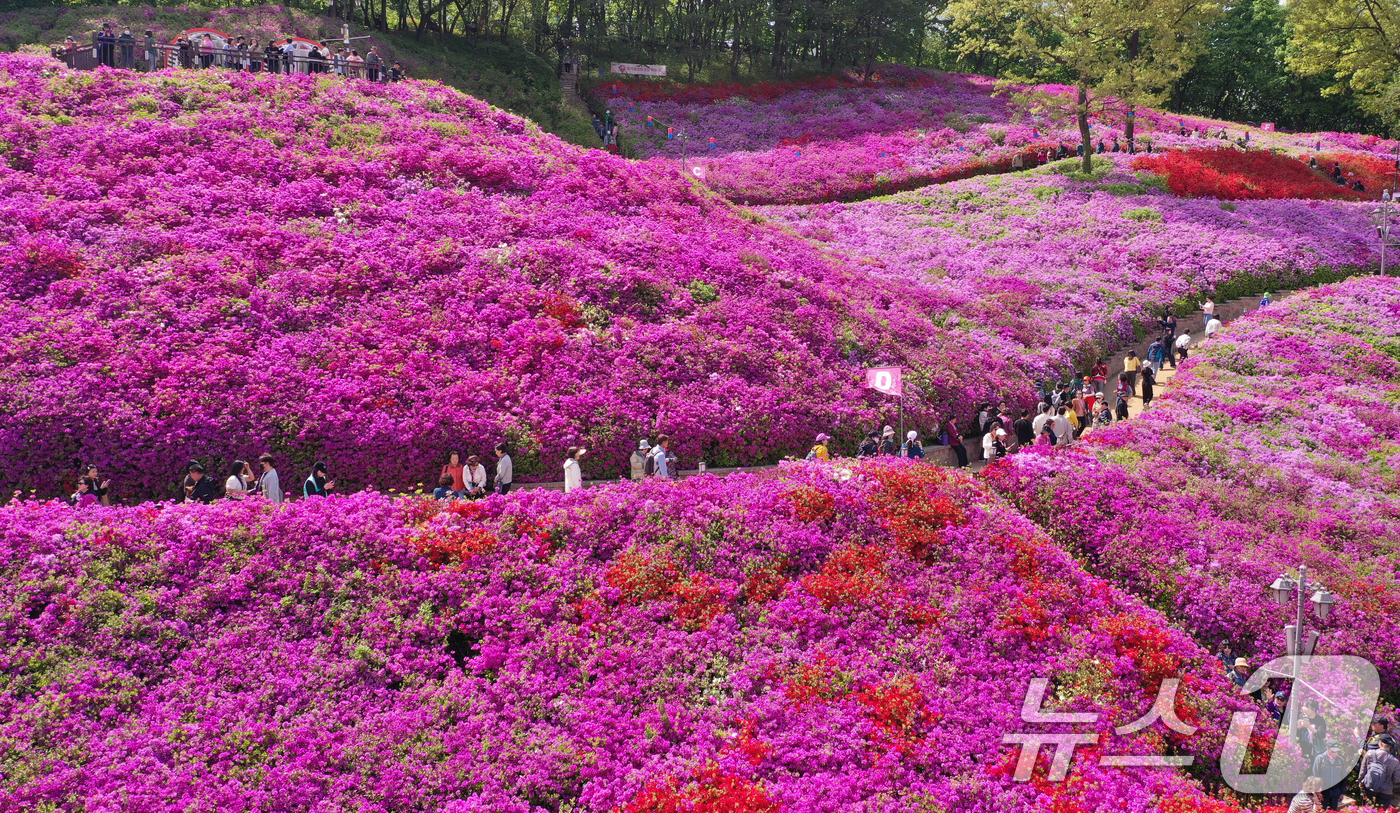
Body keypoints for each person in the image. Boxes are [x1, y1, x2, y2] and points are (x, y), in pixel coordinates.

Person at [1360, 735, 1400, 807]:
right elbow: (1397, 779)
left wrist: (1360, 781)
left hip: (1369, 787)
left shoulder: (1369, 753)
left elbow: (1362, 771)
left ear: (1380, 743)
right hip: (1386, 791)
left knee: (1368, 809)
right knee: (1382, 810)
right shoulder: (1395, 761)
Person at [1313, 739, 1349, 810]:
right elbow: (1316, 776)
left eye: (1337, 751)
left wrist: (1342, 792)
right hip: (1323, 793)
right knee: (1321, 810)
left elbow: (1343, 777)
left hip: (1336, 793)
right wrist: (1317, 791)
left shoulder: (1340, 760)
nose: (1335, 753)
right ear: (1327, 748)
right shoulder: (1320, 759)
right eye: (1333, 751)